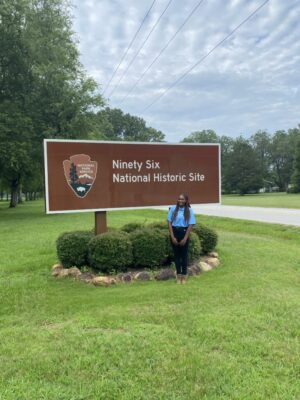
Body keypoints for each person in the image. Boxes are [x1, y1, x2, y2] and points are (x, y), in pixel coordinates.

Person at [167, 193, 196, 284]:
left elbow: (191, 224)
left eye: (182, 199)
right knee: (176, 256)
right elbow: (169, 223)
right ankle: (178, 276)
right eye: (179, 199)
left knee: (184, 256)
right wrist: (172, 236)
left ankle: (184, 276)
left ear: (186, 200)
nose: (180, 201)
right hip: (174, 233)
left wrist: (185, 238)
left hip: (184, 233)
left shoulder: (189, 210)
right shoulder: (172, 209)